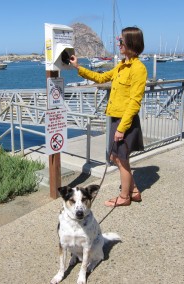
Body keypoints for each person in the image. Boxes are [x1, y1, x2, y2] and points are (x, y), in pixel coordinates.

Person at [69, 26, 147, 207]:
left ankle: (124, 197)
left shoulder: (138, 69)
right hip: (115, 118)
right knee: (115, 157)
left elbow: (135, 102)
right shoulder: (121, 65)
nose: (118, 44)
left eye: (121, 41)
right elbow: (101, 77)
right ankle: (133, 191)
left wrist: (121, 128)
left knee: (121, 158)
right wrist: (78, 68)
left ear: (131, 42)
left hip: (124, 121)